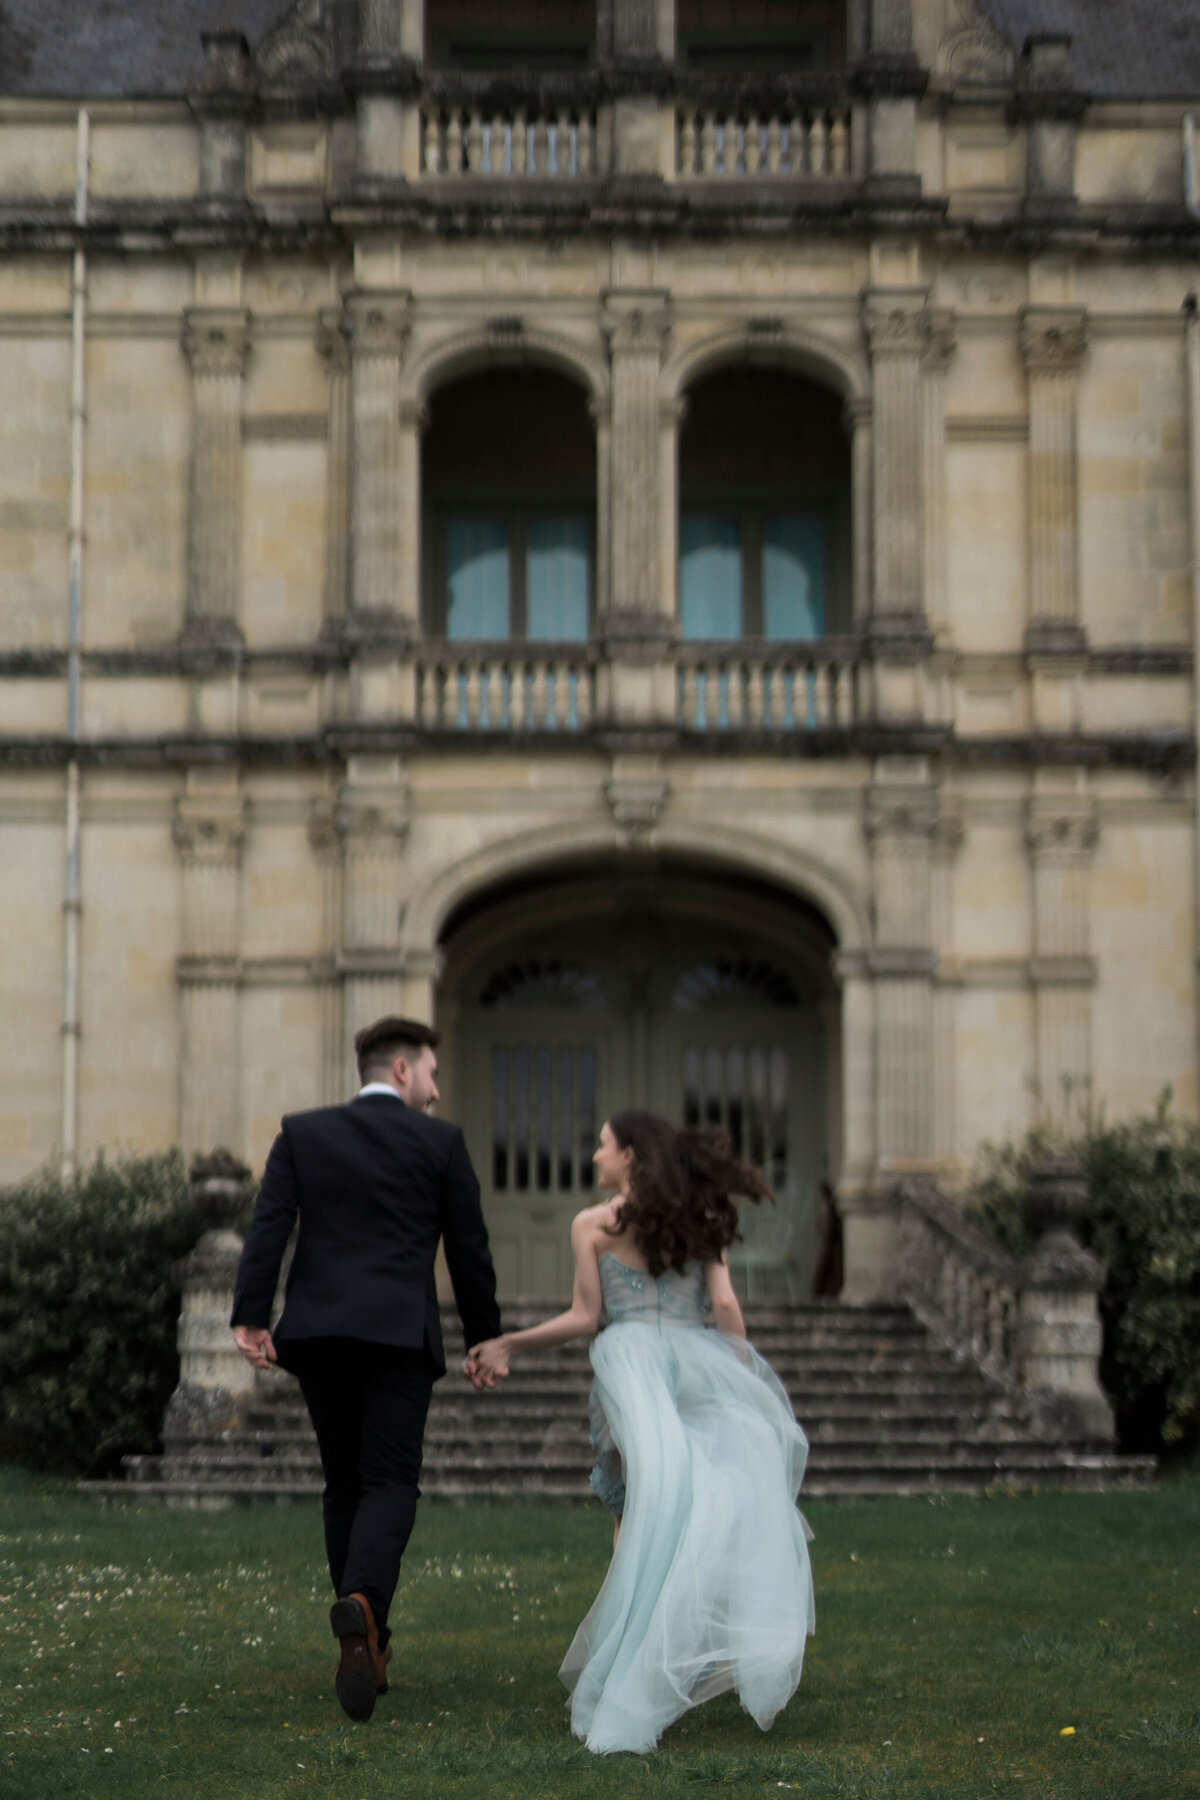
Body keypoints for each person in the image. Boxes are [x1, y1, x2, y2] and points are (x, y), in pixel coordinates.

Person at [468, 1109, 815, 1756]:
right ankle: (673, 1650)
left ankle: (634, 1667)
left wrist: (510, 1343)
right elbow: (727, 1307)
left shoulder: (595, 1225)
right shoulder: (699, 1220)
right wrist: (740, 1380)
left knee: (636, 1517)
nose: (594, 1153)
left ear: (629, 1156)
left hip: (629, 1371)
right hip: (695, 1366)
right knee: (694, 1504)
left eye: (602, 1144)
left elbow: (585, 1316)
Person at [230, 1015, 501, 1724]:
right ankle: (363, 1607)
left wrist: (251, 1314)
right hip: (395, 1336)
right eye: (433, 1073)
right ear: (402, 1070)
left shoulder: (303, 1132)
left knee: (343, 1481)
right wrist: (484, 1337)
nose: (438, 1091)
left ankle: (367, 1638)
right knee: (389, 1480)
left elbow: (270, 1226)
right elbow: (468, 1249)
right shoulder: (439, 1142)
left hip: (317, 1333)